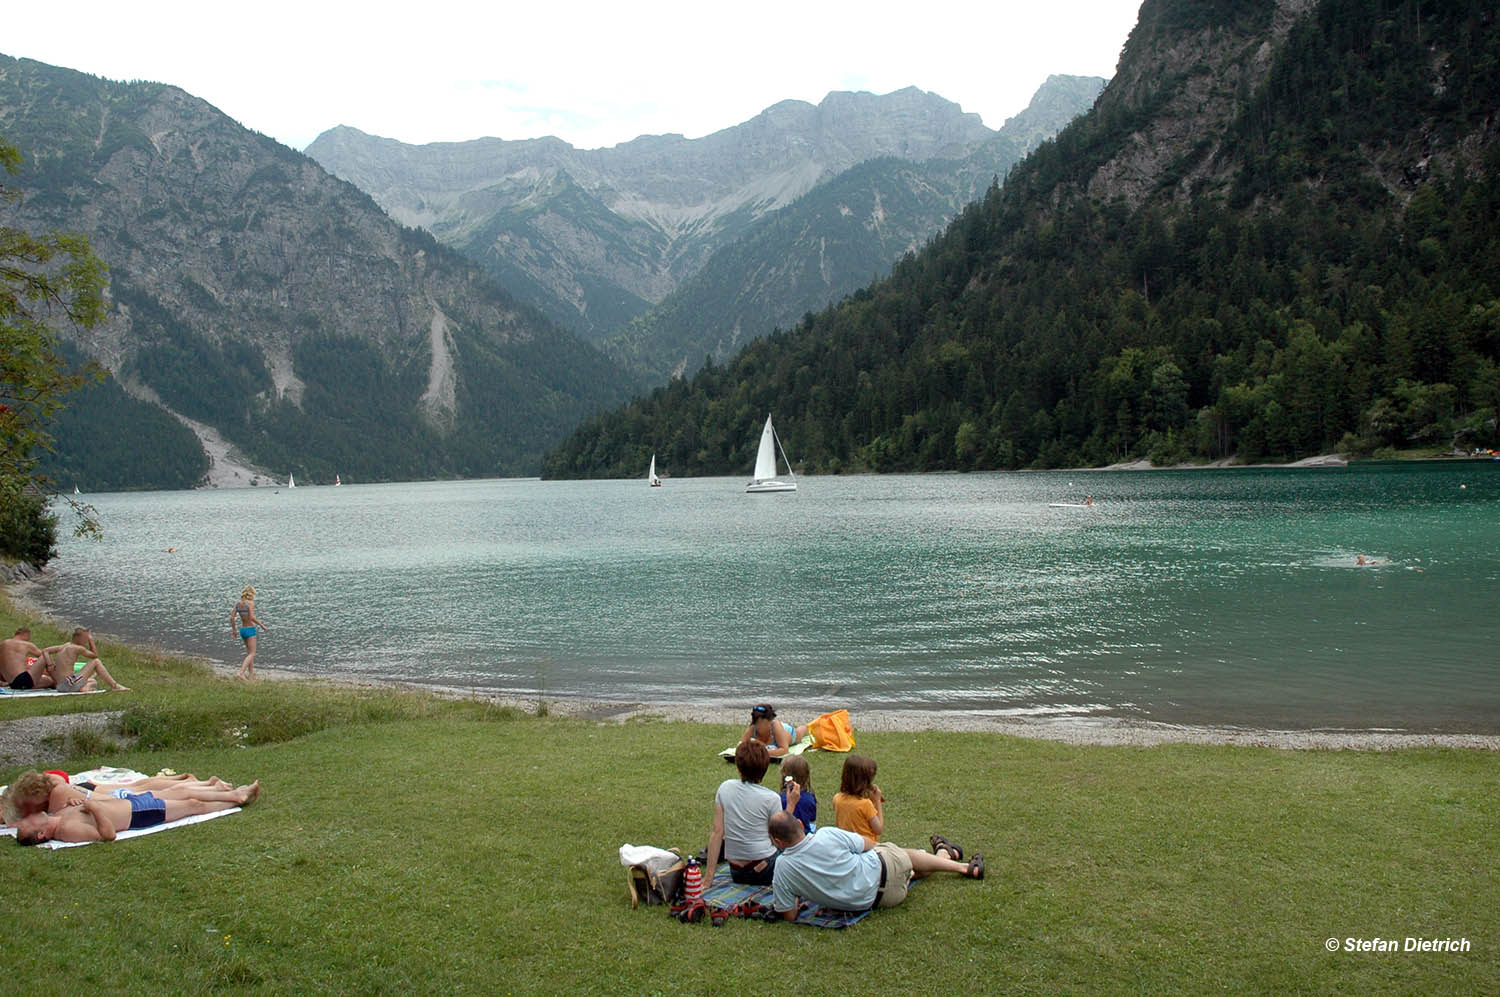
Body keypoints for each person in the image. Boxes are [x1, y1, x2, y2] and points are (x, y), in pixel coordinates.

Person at [767, 812, 983, 919]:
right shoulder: (826, 835)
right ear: (801, 824)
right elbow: (869, 844)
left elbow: (789, 915)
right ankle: (958, 864)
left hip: (881, 900)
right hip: (887, 870)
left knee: (904, 866)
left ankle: (946, 853)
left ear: (778, 842)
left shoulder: (782, 869)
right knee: (899, 855)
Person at [14, 781, 260, 845]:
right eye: (31, 823)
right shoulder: (67, 831)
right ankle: (237, 799)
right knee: (193, 804)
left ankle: (235, 794)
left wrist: (82, 801)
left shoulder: (60, 816)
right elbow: (107, 835)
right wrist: (96, 809)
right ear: (41, 834)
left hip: (133, 802)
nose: (30, 818)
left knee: (183, 790)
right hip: (138, 814)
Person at [1, 770, 234, 824]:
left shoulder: (55, 794)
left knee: (146, 790)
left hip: (104, 796)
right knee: (144, 787)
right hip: (94, 792)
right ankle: (207, 785)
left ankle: (210, 788)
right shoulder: (50, 787)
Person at [704, 741, 785, 885]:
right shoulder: (772, 798)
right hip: (764, 869)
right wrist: (791, 805)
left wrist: (708, 878)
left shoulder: (725, 788)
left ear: (738, 767)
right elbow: (778, 840)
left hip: (736, 871)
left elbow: (717, 832)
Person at [38, 628, 128, 692]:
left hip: (60, 686)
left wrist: (50, 664)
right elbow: (95, 656)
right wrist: (91, 641)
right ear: (78, 638)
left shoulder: (64, 646)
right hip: (69, 684)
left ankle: (87, 684)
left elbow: (45, 651)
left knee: (92, 681)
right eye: (85, 638)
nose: (86, 641)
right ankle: (115, 686)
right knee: (96, 662)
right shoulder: (77, 648)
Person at [833, 754, 884, 846]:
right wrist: (877, 801)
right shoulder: (865, 804)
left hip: (847, 845)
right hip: (867, 848)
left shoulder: (837, 799)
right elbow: (879, 829)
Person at [738, 704, 809, 758]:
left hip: (788, 732)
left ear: (769, 721)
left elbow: (784, 750)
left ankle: (809, 727)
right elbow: (741, 746)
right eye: (757, 723)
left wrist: (762, 753)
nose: (759, 726)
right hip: (776, 733)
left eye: (763, 723)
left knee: (800, 733)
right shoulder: (753, 728)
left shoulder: (775, 726)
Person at [231, 585, 266, 680]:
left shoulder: (238, 604)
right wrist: (262, 625)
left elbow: (232, 618)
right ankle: (241, 673)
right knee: (252, 653)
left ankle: (251, 675)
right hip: (250, 629)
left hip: (242, 630)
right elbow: (252, 617)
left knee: (250, 653)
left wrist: (234, 630)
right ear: (252, 594)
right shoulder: (250, 603)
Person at [778, 755, 817, 833]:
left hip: (786, 838)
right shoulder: (810, 798)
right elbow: (812, 818)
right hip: (805, 837)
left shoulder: (779, 799)